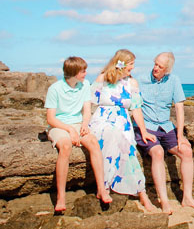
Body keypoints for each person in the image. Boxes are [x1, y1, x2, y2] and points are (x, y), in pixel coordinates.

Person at [133, 51, 194, 213]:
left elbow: (179, 108)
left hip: (166, 127)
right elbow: (134, 106)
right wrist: (142, 130)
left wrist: (179, 136)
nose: (155, 68)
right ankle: (164, 201)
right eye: (155, 64)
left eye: (160, 66)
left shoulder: (174, 80)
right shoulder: (140, 79)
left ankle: (187, 198)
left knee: (186, 151)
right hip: (146, 126)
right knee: (157, 152)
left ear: (167, 69)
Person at [88, 49, 157, 212]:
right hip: (102, 121)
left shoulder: (132, 83)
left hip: (123, 122)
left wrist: (144, 131)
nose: (132, 68)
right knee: (112, 136)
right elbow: (88, 102)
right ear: (122, 64)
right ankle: (104, 187)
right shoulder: (103, 79)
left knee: (128, 149)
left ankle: (142, 193)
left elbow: (136, 109)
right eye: (131, 64)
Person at [44, 56, 112, 214]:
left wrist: (84, 125)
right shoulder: (55, 88)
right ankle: (61, 197)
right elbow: (51, 119)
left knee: (94, 144)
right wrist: (69, 129)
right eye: (83, 71)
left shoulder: (85, 85)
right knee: (66, 147)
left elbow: (87, 111)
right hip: (59, 125)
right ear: (73, 72)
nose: (86, 74)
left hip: (78, 124)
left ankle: (101, 189)